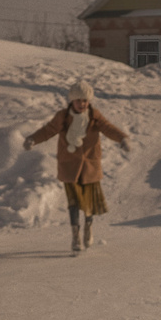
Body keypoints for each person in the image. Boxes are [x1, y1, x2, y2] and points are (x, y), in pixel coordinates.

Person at [26, 81, 132, 254]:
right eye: (78, 101)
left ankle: (88, 227)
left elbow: (108, 128)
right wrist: (33, 139)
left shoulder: (94, 116)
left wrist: (122, 138)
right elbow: (48, 130)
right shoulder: (62, 117)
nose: (82, 104)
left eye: (85, 100)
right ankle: (75, 236)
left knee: (88, 202)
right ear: (72, 101)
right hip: (69, 164)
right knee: (73, 202)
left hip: (90, 164)